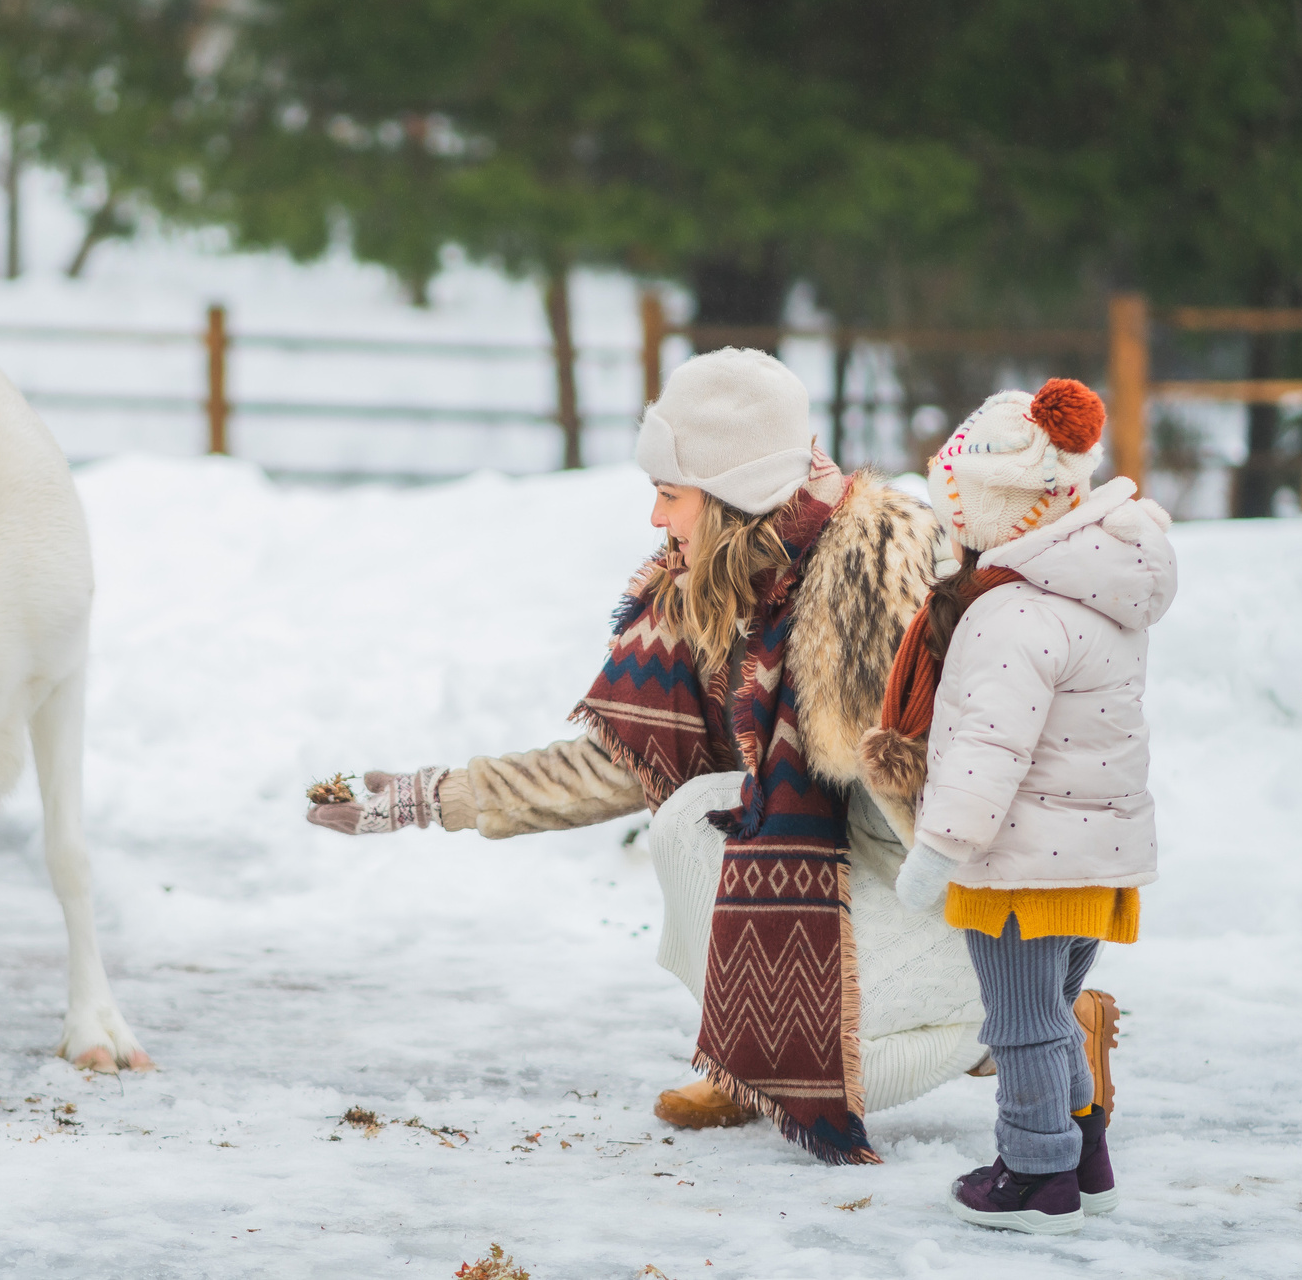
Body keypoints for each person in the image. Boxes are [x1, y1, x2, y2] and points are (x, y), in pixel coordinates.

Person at [307, 345, 991, 1165]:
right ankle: (759, 1053)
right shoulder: (716, 586)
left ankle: (1017, 1024)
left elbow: (974, 784)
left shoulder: (882, 578)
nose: (657, 521)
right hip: (851, 879)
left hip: (961, 895)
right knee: (689, 816)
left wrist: (1018, 951)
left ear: (735, 496)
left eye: (671, 495)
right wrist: (431, 796)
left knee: (816, 1073)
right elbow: (621, 766)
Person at [889, 378, 1172, 1236]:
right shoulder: (1098, 589)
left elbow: (990, 747)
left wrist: (937, 850)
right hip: (1087, 857)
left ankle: (1036, 1175)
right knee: (1051, 1014)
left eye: (959, 508)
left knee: (1021, 1024)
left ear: (1000, 507)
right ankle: (1086, 1159)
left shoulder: (1012, 611)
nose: (952, 526)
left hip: (1022, 862)